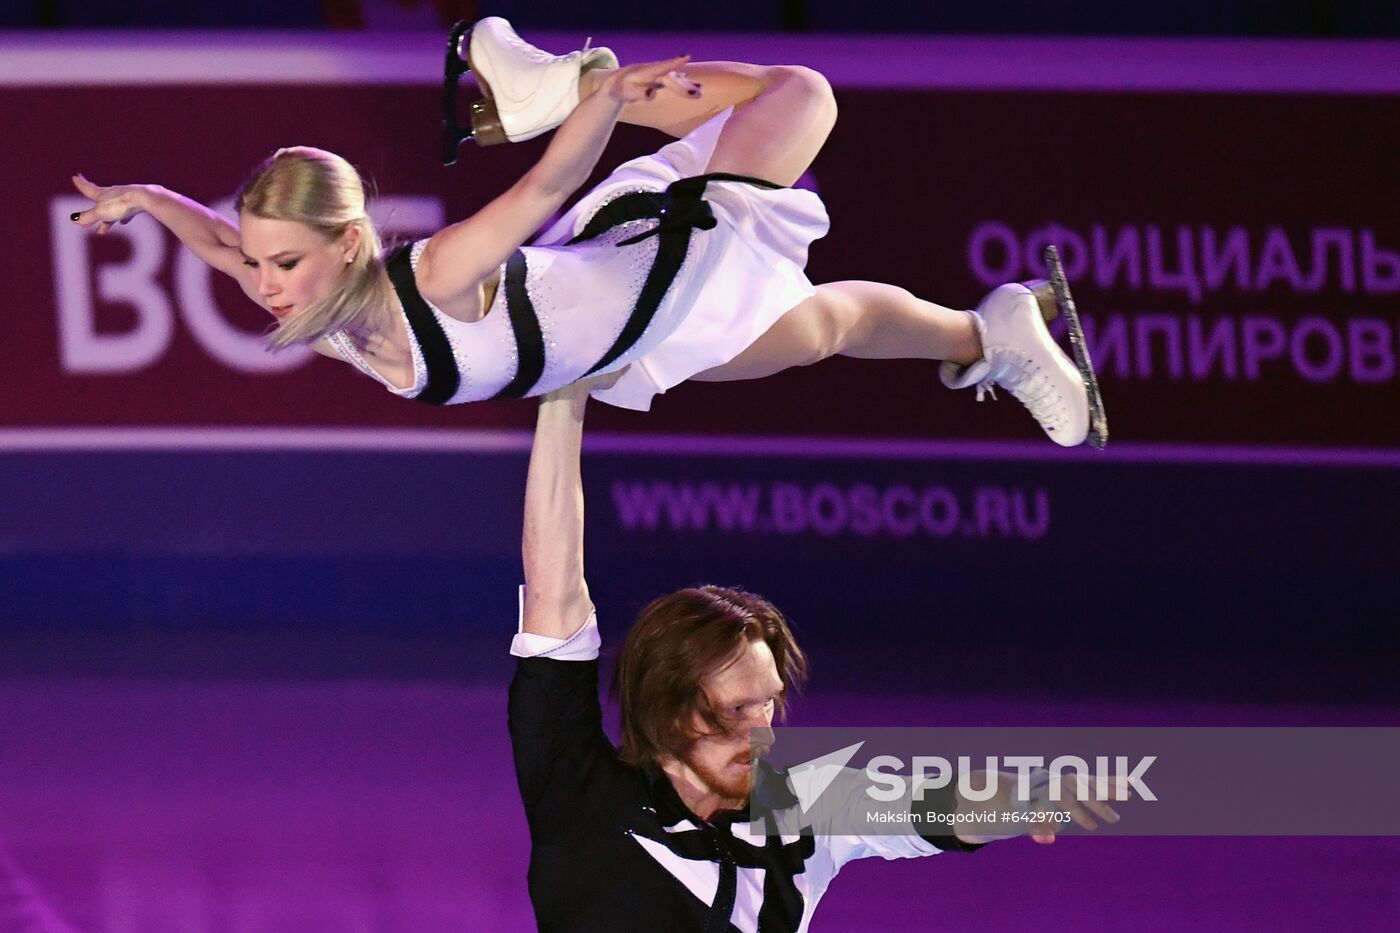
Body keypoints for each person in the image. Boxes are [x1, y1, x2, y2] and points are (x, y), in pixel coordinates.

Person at [69, 17, 1098, 446]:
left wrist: (593, 103)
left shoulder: (429, 278)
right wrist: (150, 200)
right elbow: (218, 241)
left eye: (281, 262)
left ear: (346, 243)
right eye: (258, 264)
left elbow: (543, 194)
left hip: (661, 258)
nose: (260, 284)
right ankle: (990, 332)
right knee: (821, 329)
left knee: (802, 94)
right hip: (630, 337)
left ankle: (560, 78)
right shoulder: (327, 309)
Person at [508, 372, 1123, 931]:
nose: (762, 732)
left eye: (768, 705)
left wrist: (1019, 799)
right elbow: (554, 591)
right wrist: (568, 388)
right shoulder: (576, 787)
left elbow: (931, 804)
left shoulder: (805, 808)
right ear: (668, 711)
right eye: (734, 711)